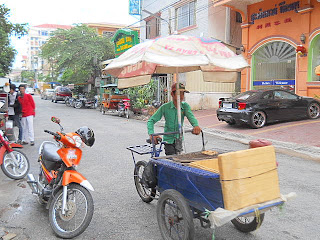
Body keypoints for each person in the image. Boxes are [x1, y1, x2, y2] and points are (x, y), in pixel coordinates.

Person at [147, 83, 201, 155]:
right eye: (179, 94)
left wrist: (196, 126)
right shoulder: (165, 107)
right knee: (171, 161)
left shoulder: (185, 106)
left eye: (183, 94)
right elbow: (151, 120)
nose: (181, 96)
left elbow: (191, 117)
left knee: (180, 160)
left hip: (179, 138)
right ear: (172, 94)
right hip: (168, 140)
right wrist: (151, 134)